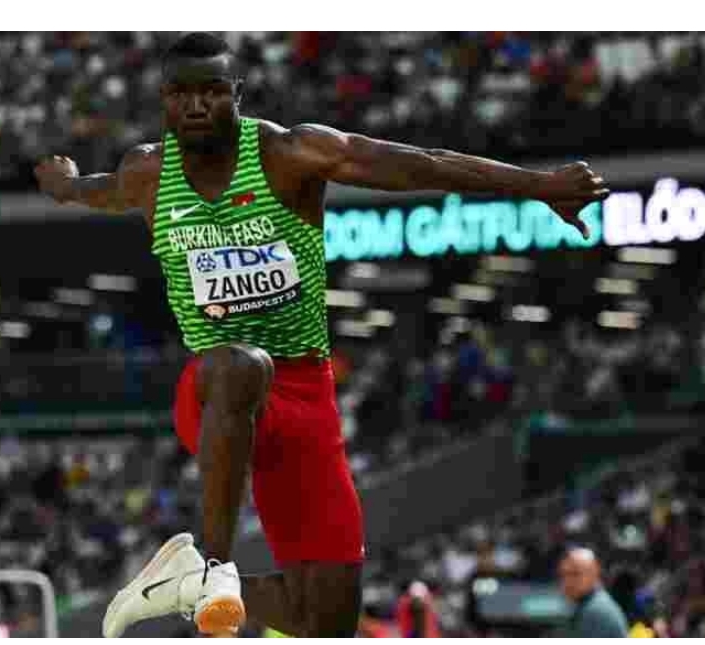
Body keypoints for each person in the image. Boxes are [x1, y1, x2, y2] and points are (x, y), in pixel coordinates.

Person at [35, 32, 609, 638]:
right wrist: (64, 184)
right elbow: (96, 190)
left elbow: (424, 165)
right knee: (242, 363)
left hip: (305, 398)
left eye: (211, 92)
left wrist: (537, 185)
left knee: (326, 620)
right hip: (214, 394)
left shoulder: (291, 154)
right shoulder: (149, 172)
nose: (196, 106)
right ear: (164, 101)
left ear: (237, 94)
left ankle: (176, 588)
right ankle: (210, 565)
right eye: (182, 94)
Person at [556, 547, 630, 638]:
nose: (568, 582)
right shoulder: (589, 603)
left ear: (594, 573)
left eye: (575, 574)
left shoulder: (596, 610)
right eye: (563, 575)